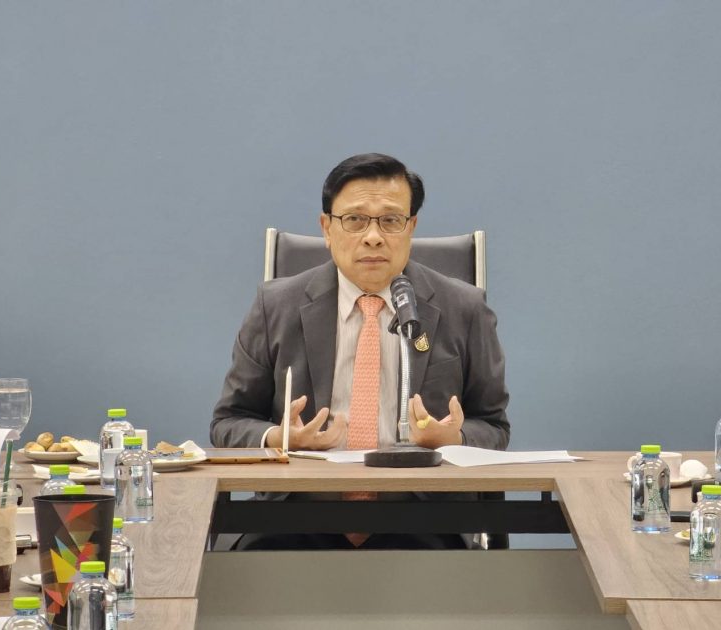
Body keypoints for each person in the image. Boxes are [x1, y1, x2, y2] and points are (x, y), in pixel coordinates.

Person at [211, 153, 509, 549]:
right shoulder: (276, 306)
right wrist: (280, 438)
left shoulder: (464, 308)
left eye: (391, 220)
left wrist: (454, 437)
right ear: (327, 228)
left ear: (411, 227)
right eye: (354, 220)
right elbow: (229, 422)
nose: (373, 237)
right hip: (297, 511)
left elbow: (494, 426)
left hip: (423, 514)